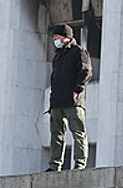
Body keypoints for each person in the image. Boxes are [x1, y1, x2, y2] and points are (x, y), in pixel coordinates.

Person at [46, 24, 92, 172]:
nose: (55, 40)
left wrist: (77, 90)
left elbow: (86, 72)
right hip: (57, 101)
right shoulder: (57, 56)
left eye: (57, 37)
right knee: (56, 135)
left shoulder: (78, 52)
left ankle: (80, 164)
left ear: (66, 37)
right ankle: (55, 165)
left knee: (78, 132)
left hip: (73, 101)